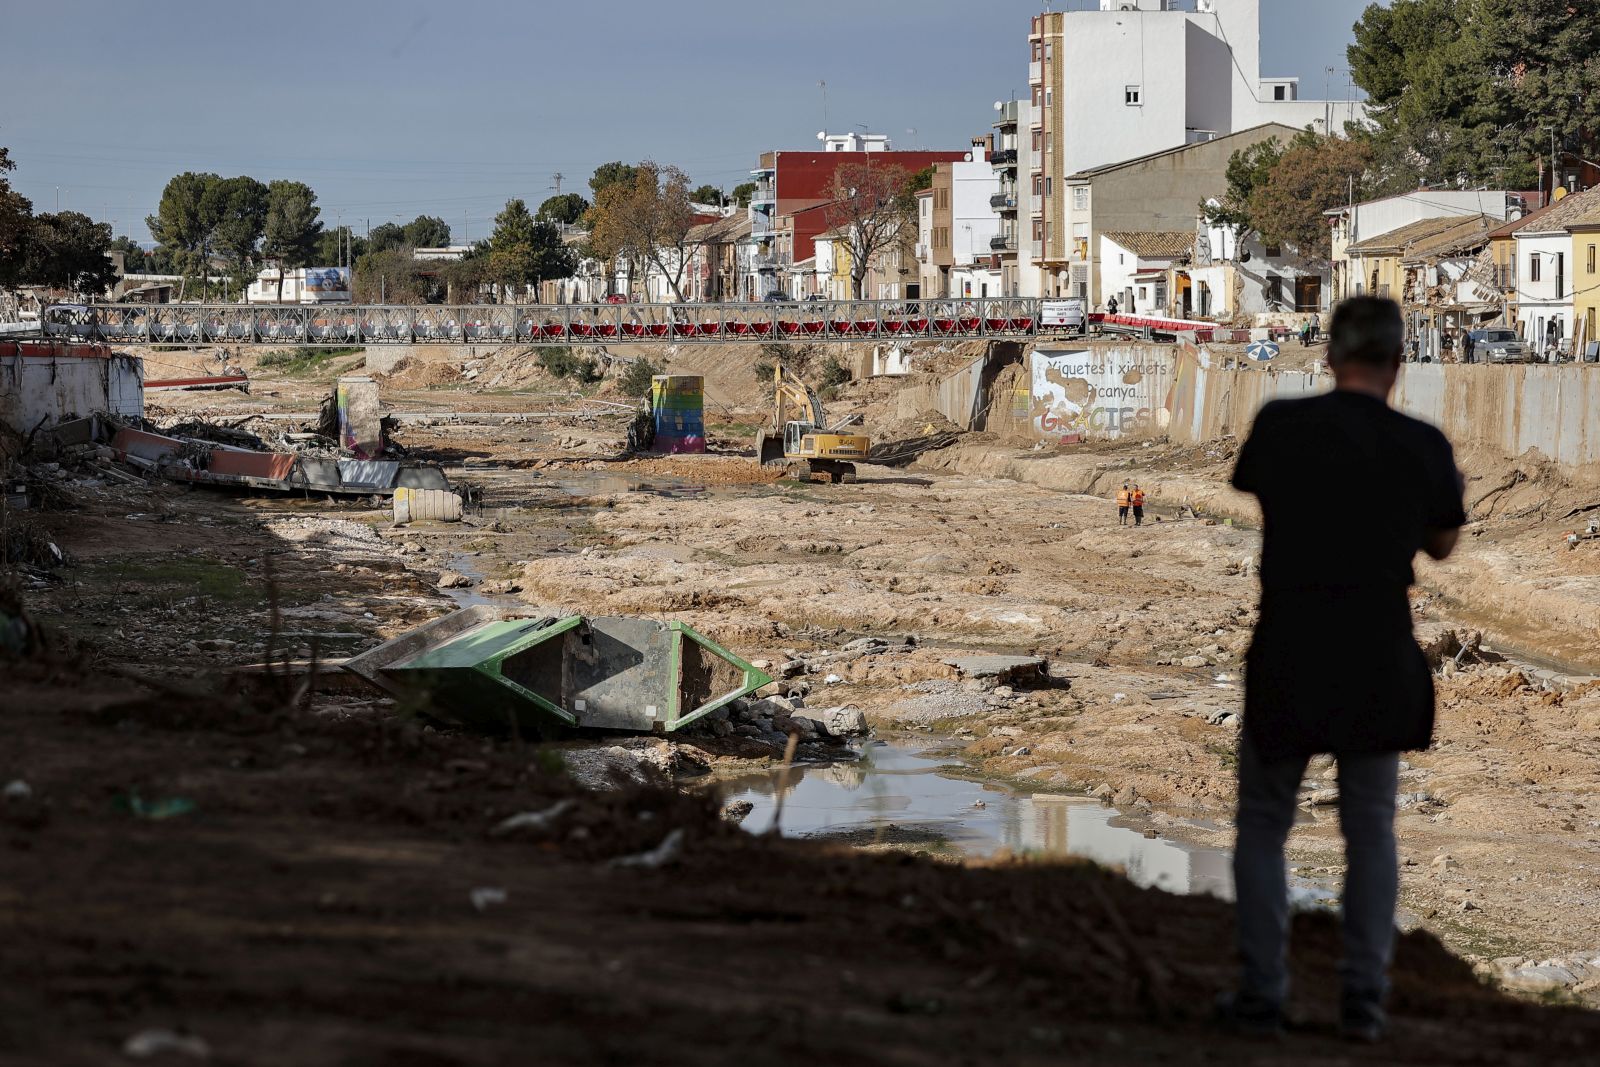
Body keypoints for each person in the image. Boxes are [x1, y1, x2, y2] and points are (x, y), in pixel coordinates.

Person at [1220, 295, 1465, 1043]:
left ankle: (1262, 992)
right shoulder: (1421, 443)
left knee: (1264, 824)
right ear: (1399, 362)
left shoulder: (1281, 427)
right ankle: (1363, 1000)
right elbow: (1444, 544)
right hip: (1377, 653)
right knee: (1370, 830)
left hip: (1290, 644)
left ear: (1328, 357)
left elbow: (1256, 490)